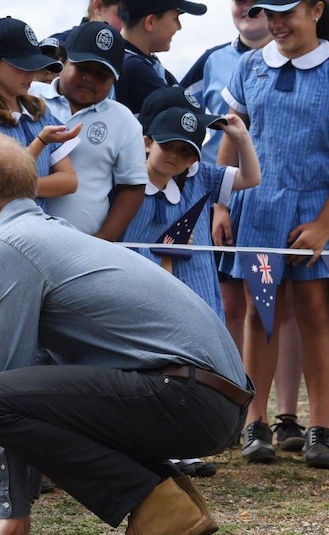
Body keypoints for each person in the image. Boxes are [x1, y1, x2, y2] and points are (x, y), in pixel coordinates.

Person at [0, 132, 251, 535]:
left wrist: (10, 509)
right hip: (214, 400)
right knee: (17, 393)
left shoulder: (2, 245)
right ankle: (168, 495)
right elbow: (40, 378)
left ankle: (156, 508)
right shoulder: (52, 234)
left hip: (188, 395)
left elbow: (1, 384)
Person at [181, 0, 305, 453]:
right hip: (244, 205)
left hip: (302, 209)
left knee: (297, 311)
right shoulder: (221, 60)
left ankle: (290, 417)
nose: (263, 18)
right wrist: (220, 206)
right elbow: (198, 116)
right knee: (249, 309)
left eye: (279, 9)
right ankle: (249, 417)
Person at [218, 0, 329, 468]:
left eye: (289, 12)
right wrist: (221, 201)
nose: (278, 24)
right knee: (260, 313)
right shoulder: (249, 65)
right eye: (271, 13)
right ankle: (255, 422)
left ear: (318, 9)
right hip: (258, 208)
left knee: (314, 312)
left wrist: (324, 225)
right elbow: (231, 136)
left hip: (313, 208)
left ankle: (320, 427)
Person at [124, 107, 260, 318]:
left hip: (193, 293)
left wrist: (241, 137)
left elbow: (251, 178)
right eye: (167, 145)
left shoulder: (201, 176)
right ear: (147, 143)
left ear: (193, 161)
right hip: (137, 295)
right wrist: (165, 251)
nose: (174, 155)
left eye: (184, 151)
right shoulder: (126, 185)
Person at [30, 21, 148, 240]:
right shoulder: (30, 96)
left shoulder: (124, 120)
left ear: (115, 79)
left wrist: (103, 239)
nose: (90, 78)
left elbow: (133, 187)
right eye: (82, 68)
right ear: (62, 59)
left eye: (102, 75)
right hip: (18, 237)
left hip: (82, 246)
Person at [0, 16, 80, 213]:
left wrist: (20, 189)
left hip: (35, 228)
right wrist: (41, 142)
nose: (31, 73)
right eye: (21, 66)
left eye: (33, 65)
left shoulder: (37, 109)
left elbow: (69, 181)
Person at [115, 0, 208, 114]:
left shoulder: (143, 61)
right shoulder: (134, 68)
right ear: (151, 22)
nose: (179, 27)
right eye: (175, 18)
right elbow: (187, 119)